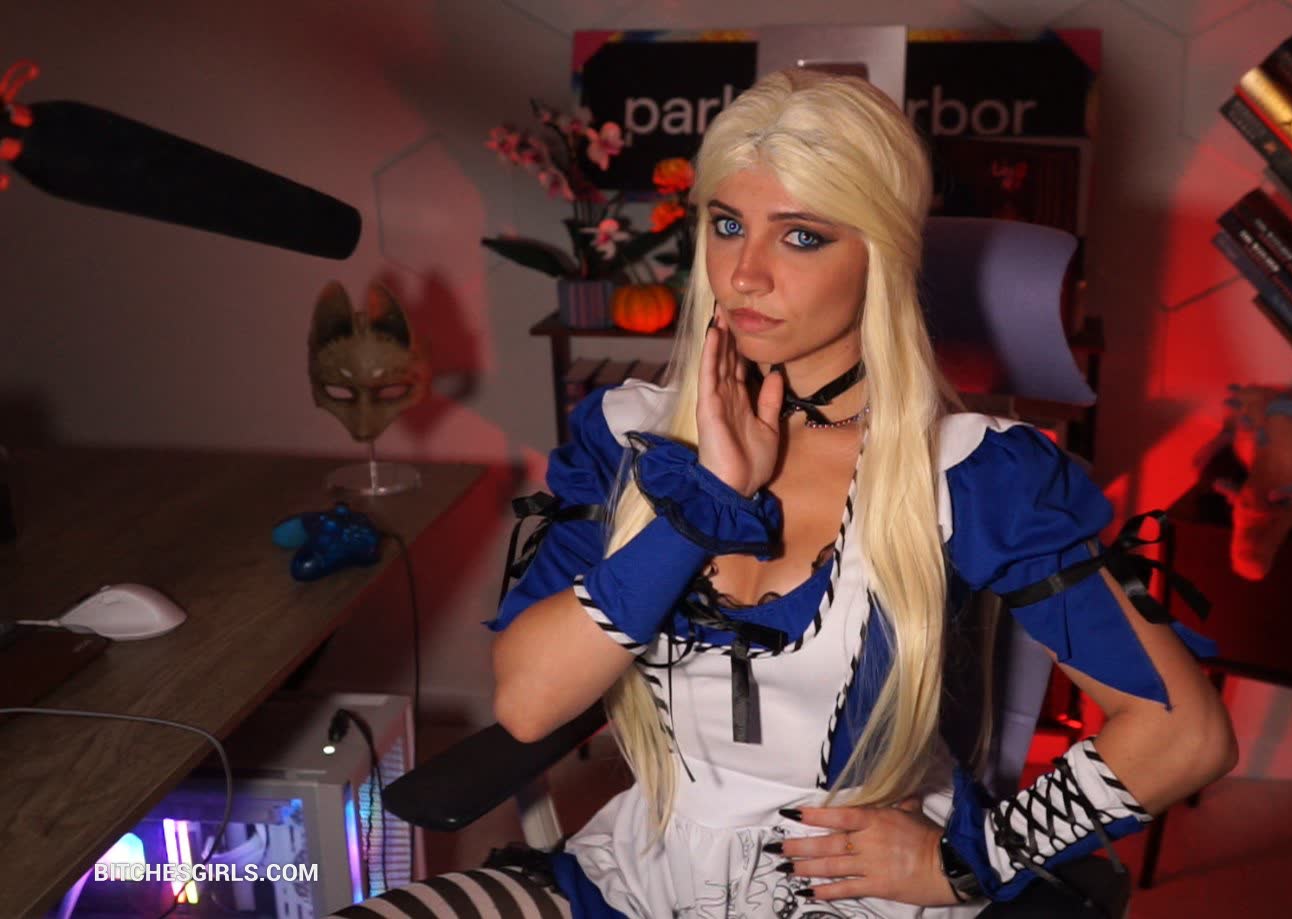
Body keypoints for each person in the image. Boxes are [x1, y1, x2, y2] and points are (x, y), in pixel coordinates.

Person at [334, 68, 1235, 919]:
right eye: (728, 225)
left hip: (861, 894)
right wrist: (696, 510)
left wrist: (970, 859)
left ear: (881, 254)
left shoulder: (969, 472)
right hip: (630, 881)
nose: (745, 273)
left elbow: (1184, 733)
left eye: (801, 236)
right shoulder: (629, 436)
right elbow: (529, 703)